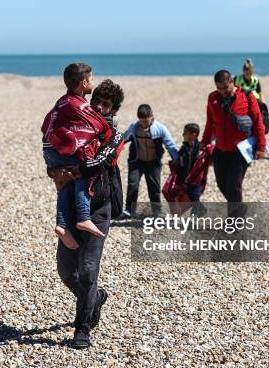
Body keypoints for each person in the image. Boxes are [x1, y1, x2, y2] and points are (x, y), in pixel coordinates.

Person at [47, 79, 125, 348]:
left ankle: (82, 329)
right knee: (67, 272)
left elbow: (101, 161)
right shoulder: (76, 126)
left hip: (98, 210)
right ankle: (96, 297)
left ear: (113, 110)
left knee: (88, 270)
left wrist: (76, 171)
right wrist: (55, 171)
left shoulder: (113, 133)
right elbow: (55, 156)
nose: (100, 107)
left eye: (107, 104)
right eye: (97, 102)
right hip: (71, 209)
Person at [41, 63, 110, 249]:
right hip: (57, 149)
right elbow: (96, 125)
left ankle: (62, 225)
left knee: (66, 182)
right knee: (83, 171)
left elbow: (51, 122)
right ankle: (84, 217)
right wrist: (106, 128)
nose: (93, 82)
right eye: (92, 79)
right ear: (84, 82)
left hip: (49, 149)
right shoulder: (76, 104)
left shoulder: (63, 101)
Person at [201, 70, 266, 216]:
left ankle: (234, 223)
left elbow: (258, 122)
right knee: (222, 184)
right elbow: (210, 121)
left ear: (232, 82)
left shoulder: (247, 96)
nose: (223, 91)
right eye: (219, 88)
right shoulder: (212, 98)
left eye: (226, 87)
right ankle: (240, 208)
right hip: (220, 149)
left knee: (234, 185)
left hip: (241, 151)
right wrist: (205, 141)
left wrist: (261, 147)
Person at [122, 104, 179, 218]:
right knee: (132, 185)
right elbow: (122, 139)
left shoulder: (160, 129)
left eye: (146, 121)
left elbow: (170, 145)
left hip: (153, 163)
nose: (143, 124)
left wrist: (177, 160)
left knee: (154, 187)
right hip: (136, 162)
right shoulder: (134, 127)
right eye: (141, 121)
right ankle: (129, 210)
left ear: (152, 116)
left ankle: (156, 211)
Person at [177, 123, 205, 212]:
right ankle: (202, 210)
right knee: (190, 196)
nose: (183, 134)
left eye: (185, 132)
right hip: (185, 178)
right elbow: (180, 162)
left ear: (193, 135)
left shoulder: (199, 149)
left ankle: (194, 218)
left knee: (194, 196)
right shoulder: (184, 148)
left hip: (197, 179)